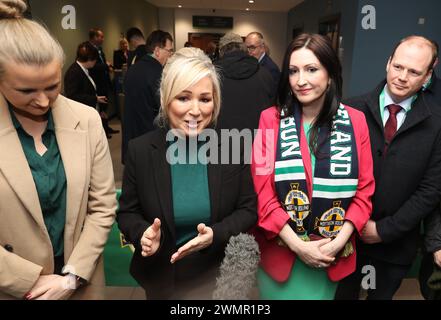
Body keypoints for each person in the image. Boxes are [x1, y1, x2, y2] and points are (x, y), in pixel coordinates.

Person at [117, 47, 257, 299]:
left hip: (218, 280)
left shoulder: (232, 148)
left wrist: (216, 234)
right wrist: (143, 234)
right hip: (162, 279)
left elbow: (248, 210)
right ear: (165, 99)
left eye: (205, 99)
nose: (196, 110)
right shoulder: (140, 150)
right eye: (183, 98)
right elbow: (127, 213)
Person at [0, 0, 116, 300]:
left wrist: (72, 276)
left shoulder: (86, 120)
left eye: (52, 86)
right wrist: (28, 281)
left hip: (81, 282)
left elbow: (102, 206)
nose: (42, 101)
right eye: (26, 91)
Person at [251, 33, 375, 299]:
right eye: (294, 71)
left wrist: (338, 242)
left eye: (311, 69)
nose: (301, 81)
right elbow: (263, 194)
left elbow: (364, 192)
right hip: (282, 256)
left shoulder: (356, 122)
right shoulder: (268, 121)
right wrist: (299, 246)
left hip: (330, 255)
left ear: (330, 74)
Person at [335, 35, 441, 300]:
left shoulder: (437, 123)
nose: (402, 77)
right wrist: (352, 223)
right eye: (398, 67)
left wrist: (384, 231)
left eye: (414, 71)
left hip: (395, 247)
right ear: (388, 63)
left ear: (429, 74)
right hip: (343, 240)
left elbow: (431, 190)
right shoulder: (349, 110)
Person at [121, 29, 173, 164]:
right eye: (169, 51)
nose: (170, 55)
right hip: (150, 135)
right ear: (157, 51)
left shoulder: (133, 69)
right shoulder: (158, 74)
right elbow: (163, 109)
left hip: (132, 134)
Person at [215, 32, 274, 133]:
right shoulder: (265, 74)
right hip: (258, 140)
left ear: (221, 51)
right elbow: (273, 109)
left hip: (222, 141)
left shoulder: (213, 75)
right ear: (244, 48)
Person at [88, 28, 119, 137]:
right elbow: (93, 66)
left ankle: (106, 127)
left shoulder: (99, 49)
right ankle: (103, 131)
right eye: (101, 36)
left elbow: (101, 63)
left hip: (104, 81)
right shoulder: (89, 50)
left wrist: (108, 66)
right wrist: (105, 65)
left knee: (105, 107)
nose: (103, 39)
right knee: (100, 108)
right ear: (94, 37)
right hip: (97, 83)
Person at [64, 42, 108, 110]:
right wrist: (95, 99)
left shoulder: (85, 68)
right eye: (95, 59)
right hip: (82, 111)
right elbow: (72, 96)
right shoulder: (73, 73)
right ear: (90, 59)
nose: (96, 62)